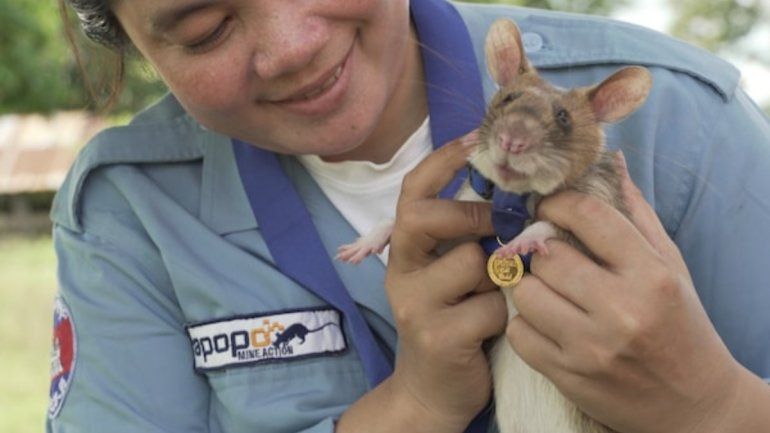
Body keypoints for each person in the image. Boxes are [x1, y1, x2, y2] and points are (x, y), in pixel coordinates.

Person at [48, 0, 770, 432]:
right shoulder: (126, 208)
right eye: (205, 28)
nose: (294, 47)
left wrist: (713, 405)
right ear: (127, 39)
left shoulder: (683, 124)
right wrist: (416, 404)